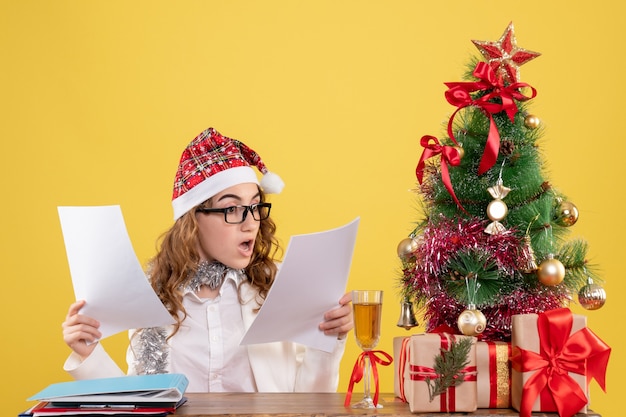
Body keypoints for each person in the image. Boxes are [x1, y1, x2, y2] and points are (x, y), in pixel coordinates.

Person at [61, 127, 354, 392]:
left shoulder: (281, 285)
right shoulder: (153, 295)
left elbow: (309, 402)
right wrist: (89, 354)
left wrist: (328, 338)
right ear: (193, 220)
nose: (251, 223)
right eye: (232, 209)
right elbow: (139, 403)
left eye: (255, 206)